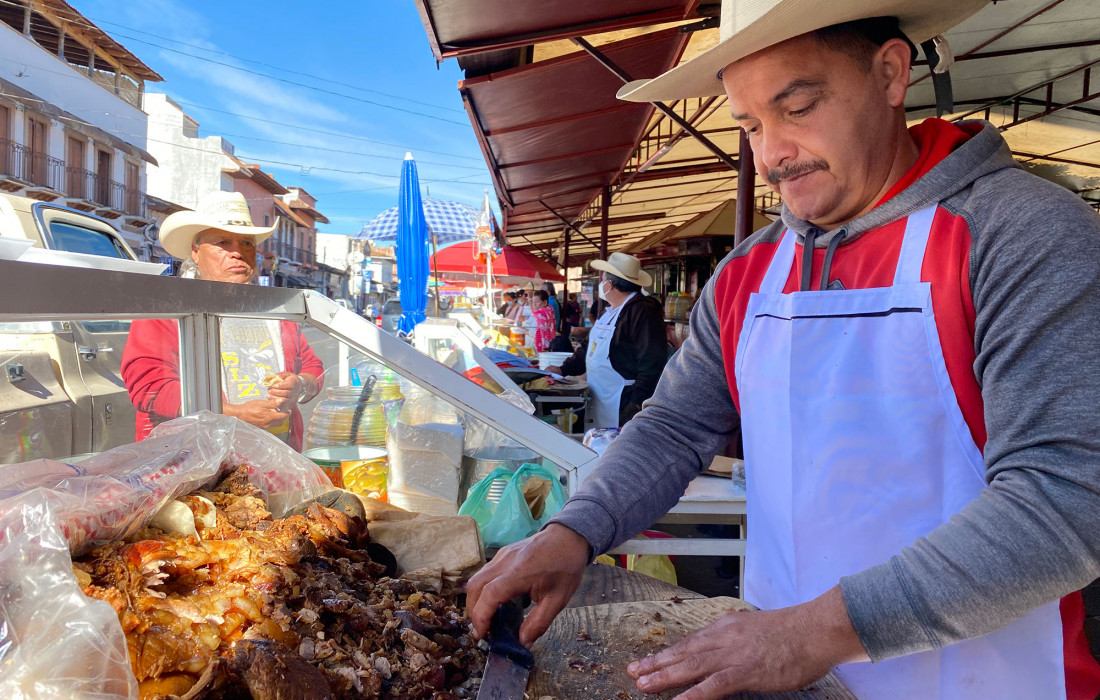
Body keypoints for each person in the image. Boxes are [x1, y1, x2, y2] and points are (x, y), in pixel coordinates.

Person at [466, 3, 1100, 700]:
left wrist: (810, 633)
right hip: (781, 677)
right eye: (750, 125)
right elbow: (676, 426)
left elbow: (1065, 498)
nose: (771, 154)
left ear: (890, 73)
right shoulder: (747, 271)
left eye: (796, 107)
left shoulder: (1020, 235)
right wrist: (574, 531)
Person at [122, 191, 324, 451]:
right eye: (223, 242)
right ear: (196, 251)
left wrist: (300, 384)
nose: (237, 253)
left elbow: (311, 365)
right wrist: (232, 413)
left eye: (247, 244)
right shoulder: (168, 309)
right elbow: (149, 386)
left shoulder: (273, 310)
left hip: (276, 460)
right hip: (192, 465)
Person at [546, 252, 667, 428]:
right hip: (600, 396)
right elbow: (588, 349)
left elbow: (651, 363)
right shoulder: (609, 312)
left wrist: (635, 405)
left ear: (610, 285)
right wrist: (562, 369)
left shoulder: (642, 311)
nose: (601, 284)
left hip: (623, 400)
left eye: (602, 280)